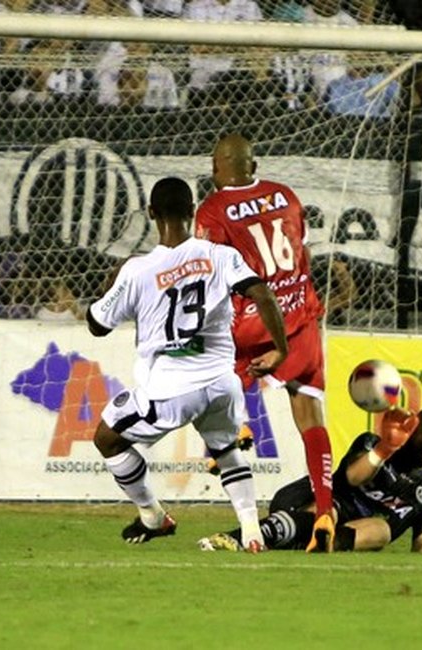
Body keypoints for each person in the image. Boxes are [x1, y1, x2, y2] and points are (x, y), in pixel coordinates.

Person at [87, 177, 289, 553]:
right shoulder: (221, 255)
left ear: (151, 214)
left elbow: (97, 325)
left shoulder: (137, 270)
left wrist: (112, 282)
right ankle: (251, 532)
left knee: (107, 438)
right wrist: (281, 350)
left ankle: (152, 515)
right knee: (227, 448)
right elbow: (261, 293)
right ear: (193, 212)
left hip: (169, 392)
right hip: (221, 384)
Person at [194, 133, 337, 552]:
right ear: (252, 167)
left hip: (251, 323)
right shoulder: (286, 196)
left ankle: (228, 429)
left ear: (215, 168)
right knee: (310, 415)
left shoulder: (214, 210)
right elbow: (300, 253)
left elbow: (210, 278)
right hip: (299, 318)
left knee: (201, 366)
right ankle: (325, 509)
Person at [199, 405, 422, 553]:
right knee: (329, 513)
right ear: (414, 428)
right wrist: (385, 448)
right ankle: (234, 537)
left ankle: (314, 545)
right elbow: (354, 478)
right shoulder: (373, 443)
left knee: (382, 530)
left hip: (352, 534)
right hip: (310, 501)